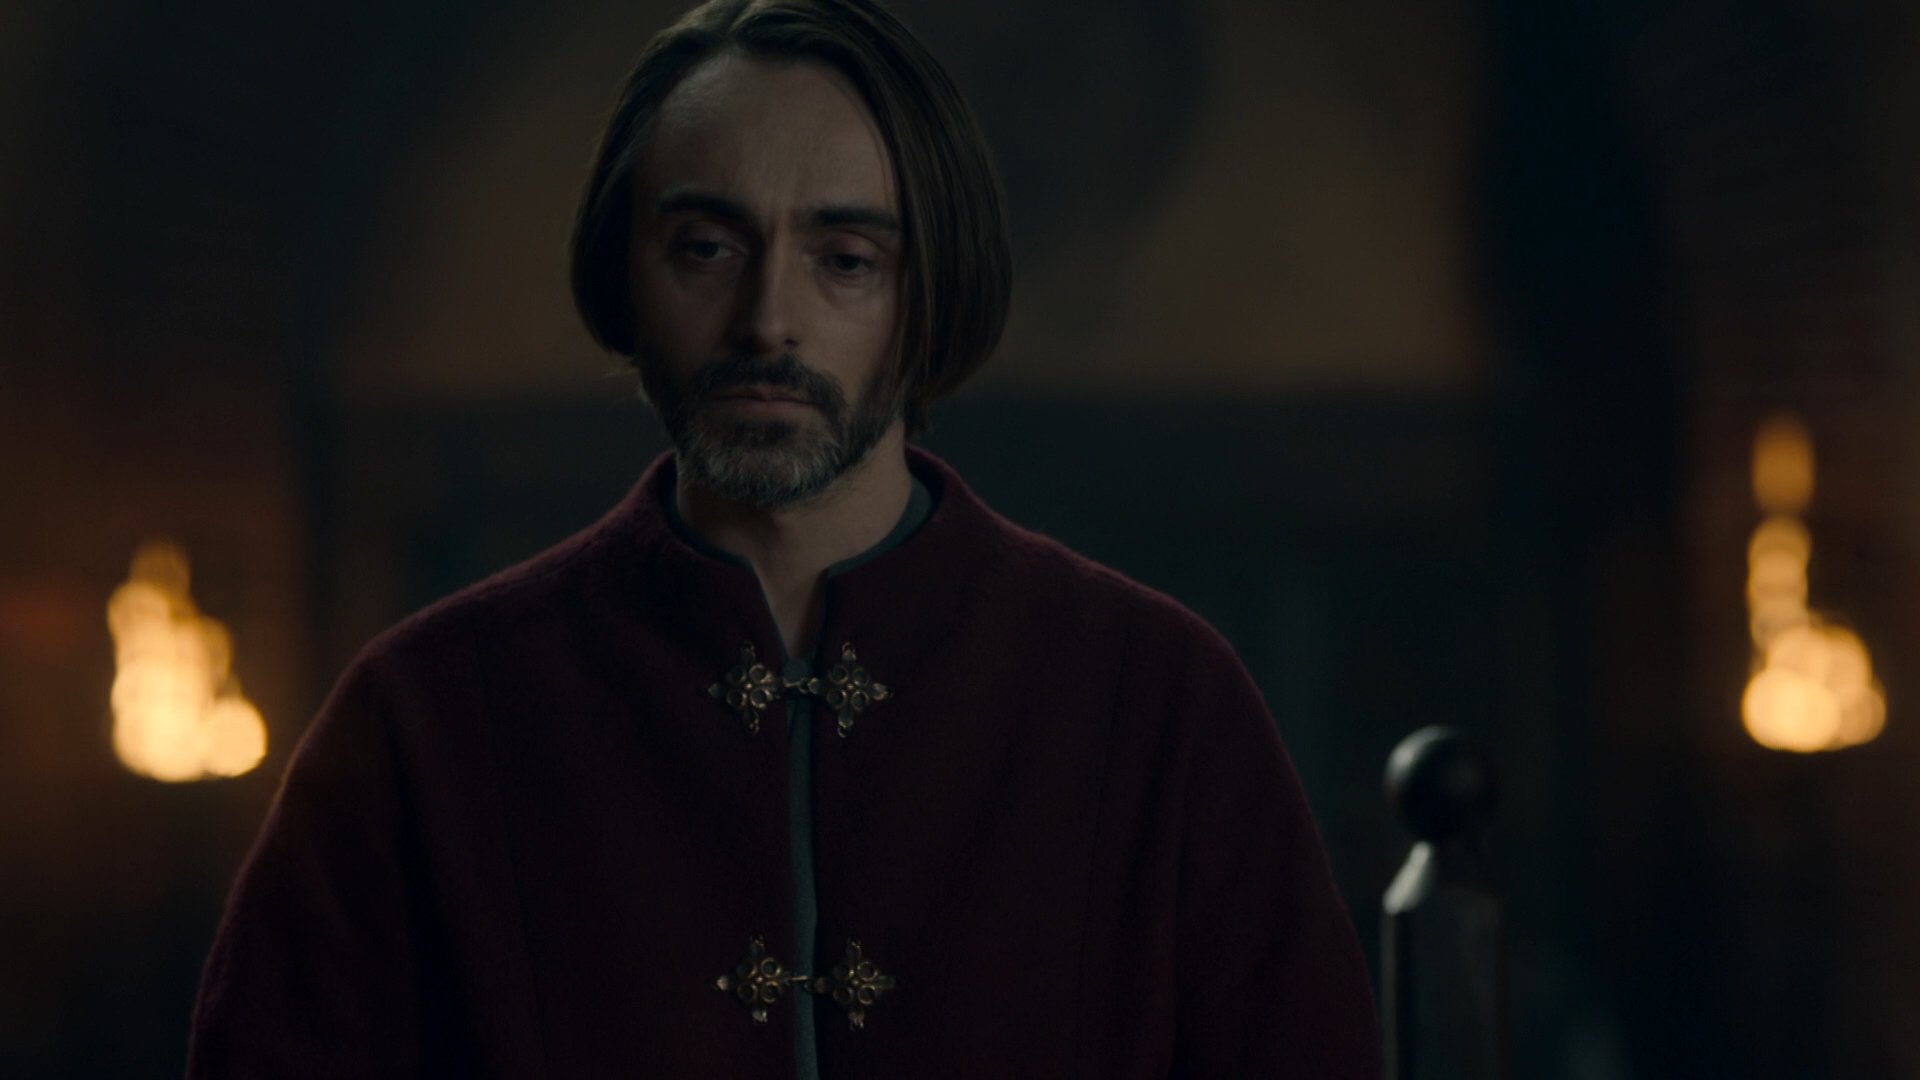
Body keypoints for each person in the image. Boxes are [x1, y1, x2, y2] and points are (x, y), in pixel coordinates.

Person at [187, 0, 1379, 1076]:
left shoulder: (1159, 699)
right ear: (624, 272)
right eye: (707, 248)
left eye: (845, 260)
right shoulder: (424, 717)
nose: (768, 321)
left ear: (927, 290)